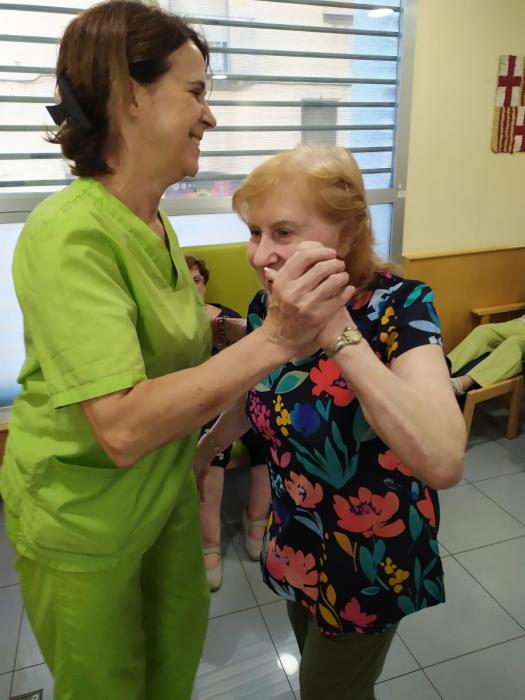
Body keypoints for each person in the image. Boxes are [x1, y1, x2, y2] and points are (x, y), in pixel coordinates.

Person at [0, 3, 353, 699]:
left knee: (171, 668)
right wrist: (276, 337)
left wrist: (235, 333)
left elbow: (163, 338)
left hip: (163, 497)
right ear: (129, 94)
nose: (209, 116)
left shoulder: (152, 221)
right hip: (86, 518)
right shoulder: (69, 234)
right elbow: (122, 425)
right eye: (194, 93)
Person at [194, 145, 466, 700]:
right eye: (255, 232)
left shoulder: (402, 307)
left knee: (326, 691)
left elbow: (443, 460)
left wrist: (336, 330)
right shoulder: (268, 306)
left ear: (345, 235)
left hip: (371, 556)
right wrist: (205, 449)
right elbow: (260, 392)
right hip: (297, 536)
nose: (259, 254)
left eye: (283, 232)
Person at [185, 254, 270, 591]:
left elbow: (253, 359)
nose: (193, 287)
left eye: (197, 280)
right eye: (184, 282)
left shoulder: (228, 316)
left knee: (264, 436)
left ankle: (256, 518)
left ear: (205, 283)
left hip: (241, 395)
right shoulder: (169, 329)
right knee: (212, 448)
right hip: (201, 404)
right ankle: (210, 542)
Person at [448, 316, 525, 395]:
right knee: (483, 331)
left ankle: (463, 383)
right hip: (521, 323)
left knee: (514, 343)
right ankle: (446, 368)